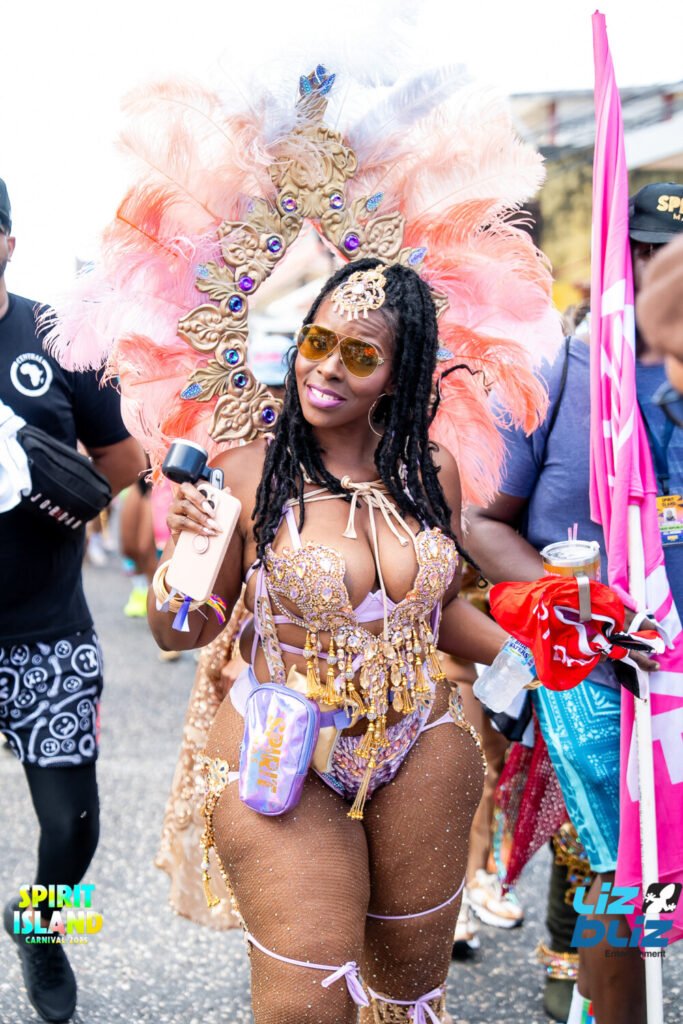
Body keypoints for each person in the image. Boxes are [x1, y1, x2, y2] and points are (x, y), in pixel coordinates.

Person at [149, 259, 523, 1024]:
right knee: (306, 1002)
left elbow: (436, 614)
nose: (326, 367)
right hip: (280, 747)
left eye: (359, 354)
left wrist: (538, 657)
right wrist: (179, 559)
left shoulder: (432, 472)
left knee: (410, 996)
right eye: (317, 342)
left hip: (421, 739)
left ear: (397, 374)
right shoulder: (248, 473)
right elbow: (182, 628)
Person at [467, 181, 683, 1024]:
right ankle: (595, 1000)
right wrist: (573, 602)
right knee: (615, 869)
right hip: (590, 671)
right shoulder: (559, 369)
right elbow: (481, 520)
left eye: (671, 257)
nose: (656, 272)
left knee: (652, 878)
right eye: (642, 252)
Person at [0, 177, 145, 1024]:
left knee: (76, 825)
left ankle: (43, 928)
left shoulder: (56, 337)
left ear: (9, 242)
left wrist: (71, 492)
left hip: (48, 630)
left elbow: (126, 460)